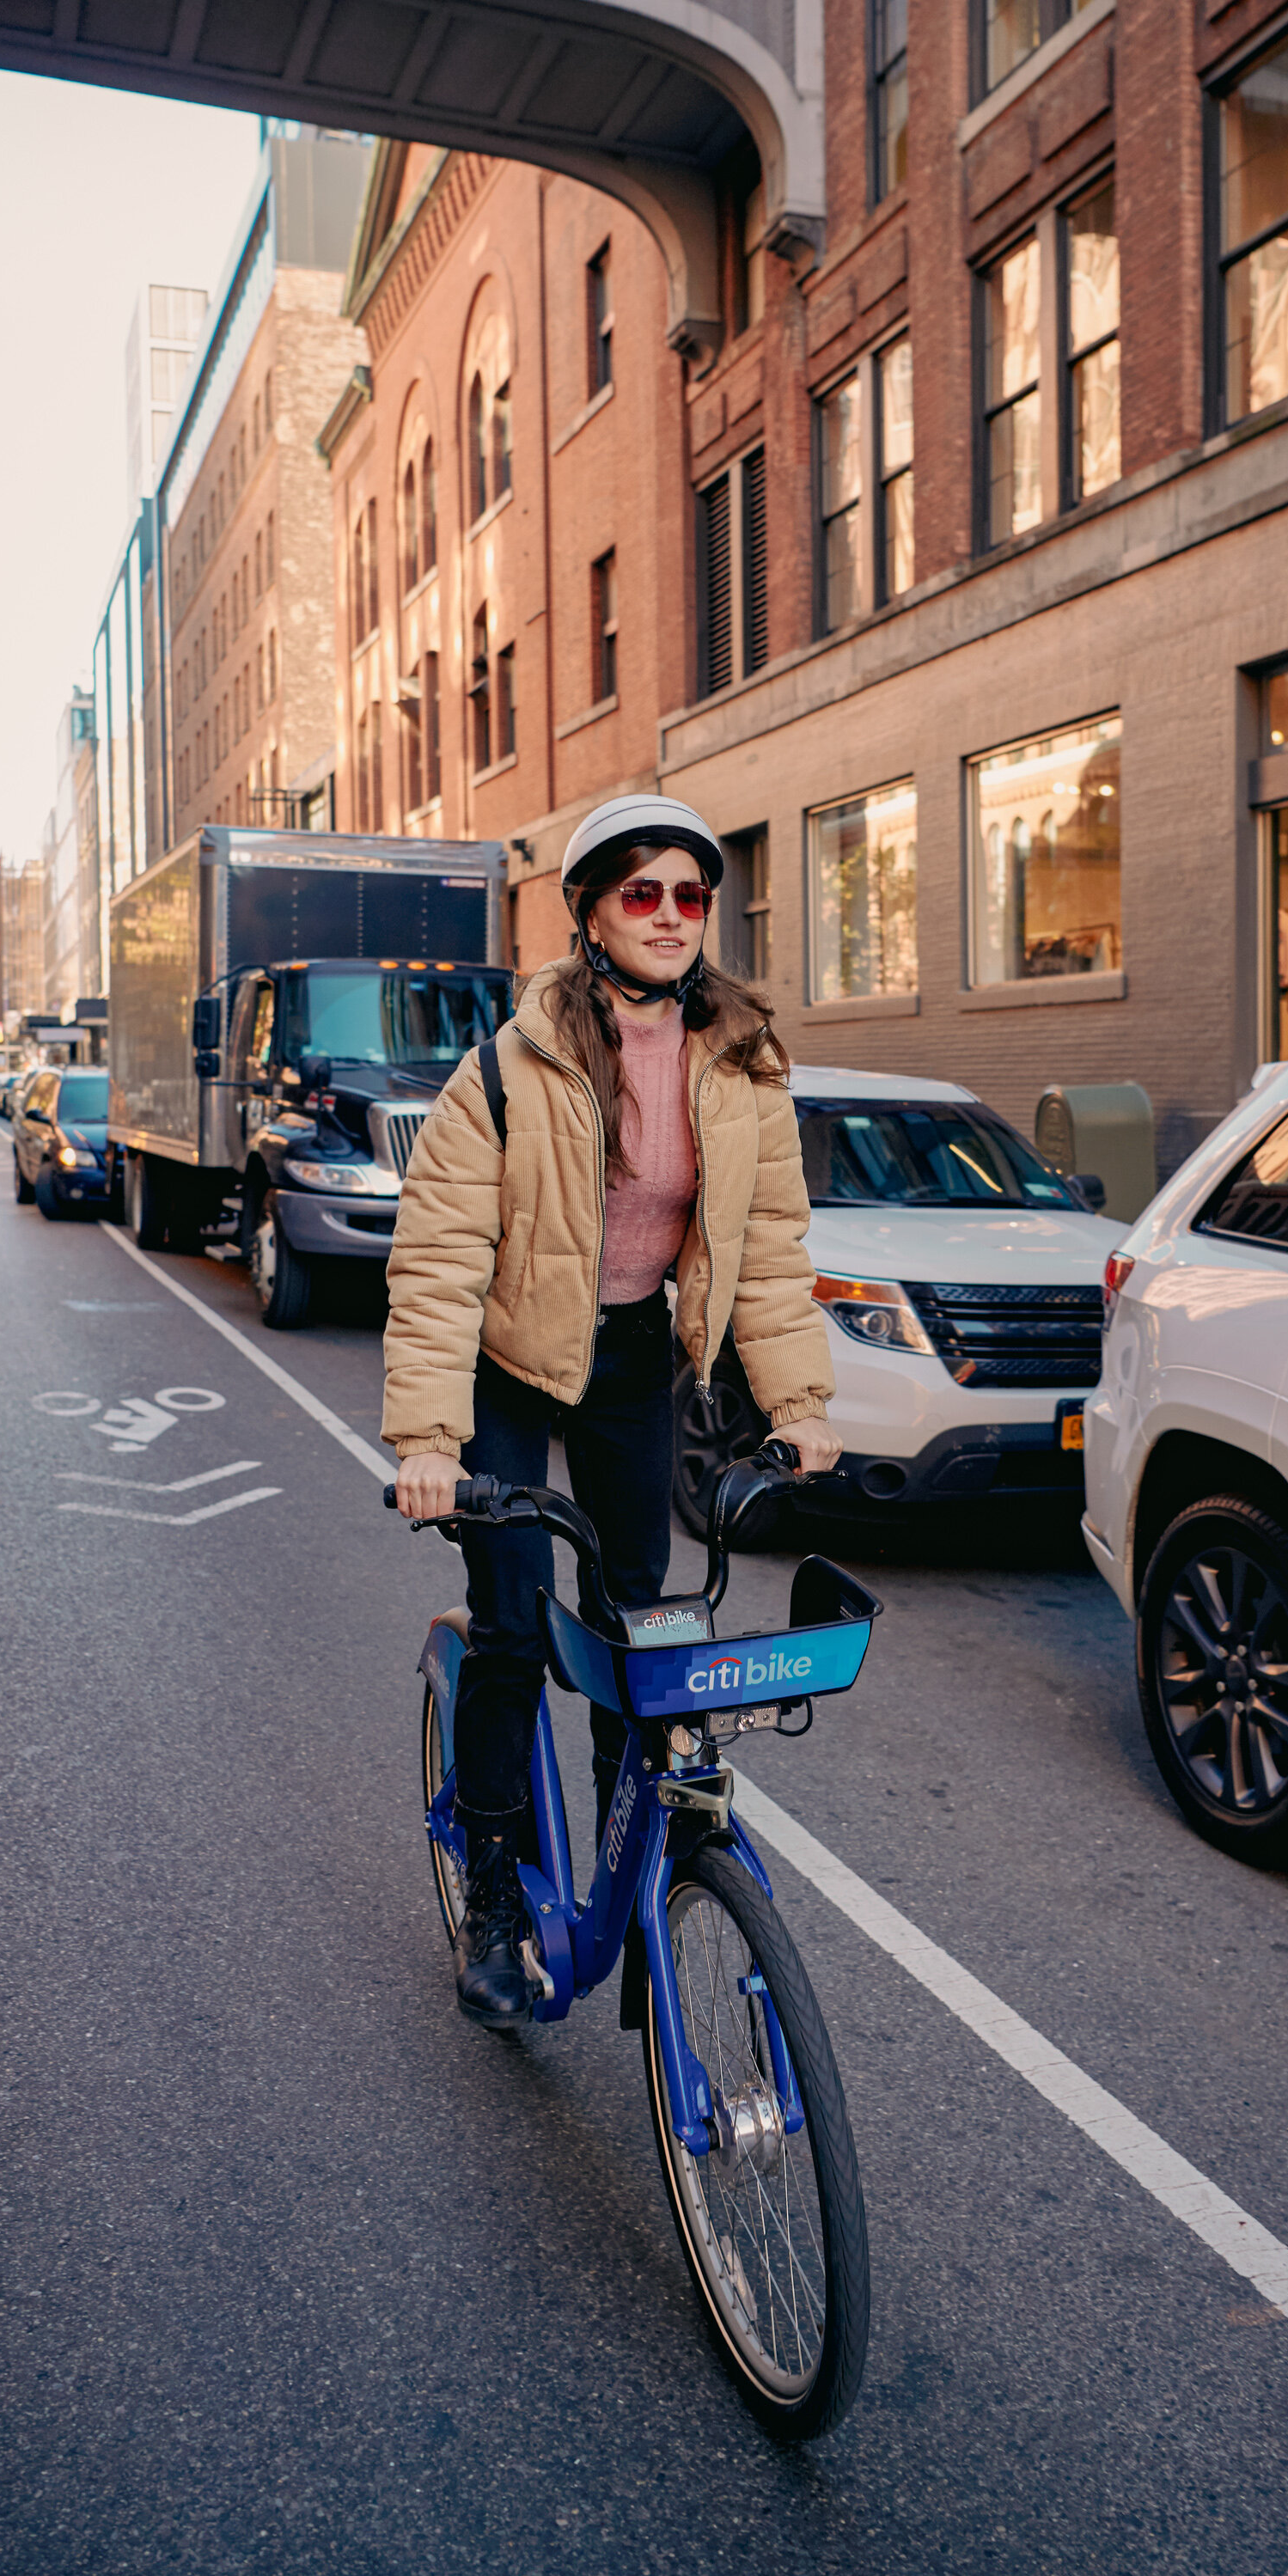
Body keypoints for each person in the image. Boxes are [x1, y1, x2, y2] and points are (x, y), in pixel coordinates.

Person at [384, 793, 841, 2029]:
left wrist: (797, 1402)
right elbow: (436, 1262)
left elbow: (774, 1250)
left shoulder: (743, 1065)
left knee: (636, 1628)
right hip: (506, 1359)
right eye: (642, 893)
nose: (670, 918)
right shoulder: (507, 1069)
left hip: (637, 1356)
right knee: (515, 1627)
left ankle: (625, 1870)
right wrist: (430, 1443)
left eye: (691, 896)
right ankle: (491, 1887)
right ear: (589, 910)